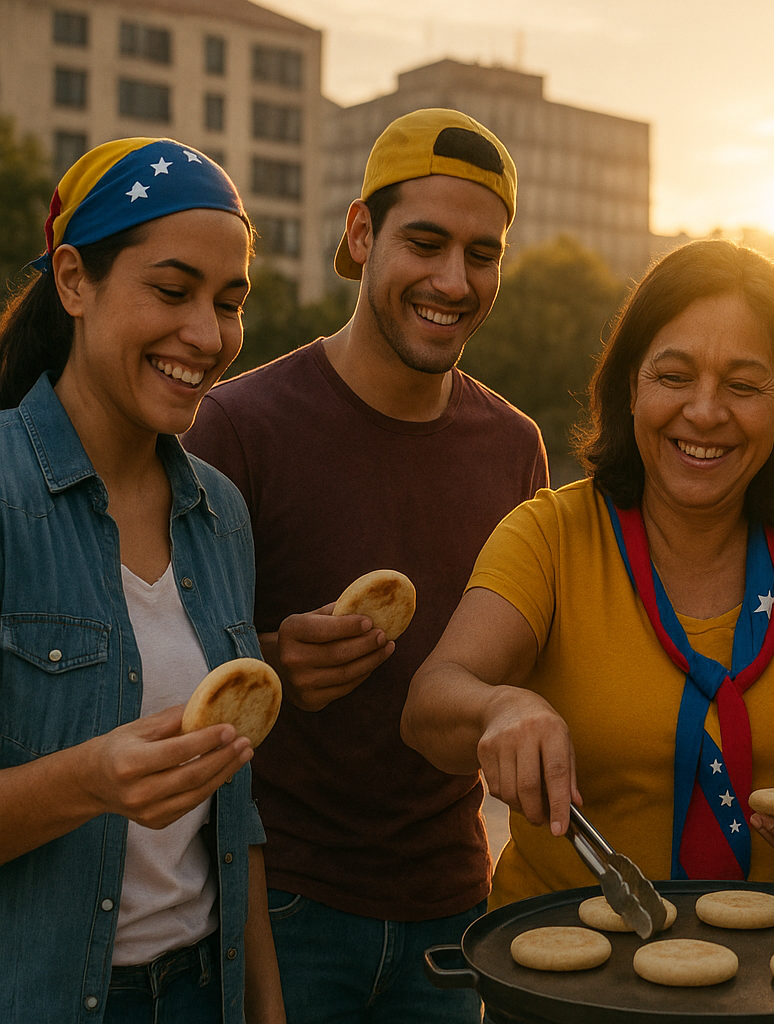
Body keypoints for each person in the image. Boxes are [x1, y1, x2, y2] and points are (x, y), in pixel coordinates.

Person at [181, 109, 547, 1023]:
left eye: (482, 253)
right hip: (285, 904)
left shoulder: (514, 448)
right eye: (424, 242)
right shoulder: (236, 426)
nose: (453, 280)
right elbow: (157, 680)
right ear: (360, 234)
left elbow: (532, 672)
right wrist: (272, 660)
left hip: (456, 906)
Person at [402, 239, 774, 906]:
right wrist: (499, 704)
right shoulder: (550, 536)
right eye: (674, 375)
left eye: (744, 386)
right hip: (568, 970)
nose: (706, 411)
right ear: (630, 385)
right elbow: (429, 704)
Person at [0, 138, 281, 1022]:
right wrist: (85, 781)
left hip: (206, 990)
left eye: (229, 302)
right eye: (171, 291)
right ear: (75, 281)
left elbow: (234, 820)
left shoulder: (222, 512)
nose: (207, 335)